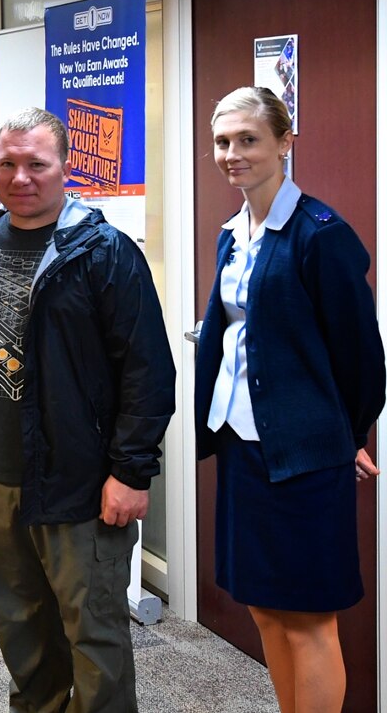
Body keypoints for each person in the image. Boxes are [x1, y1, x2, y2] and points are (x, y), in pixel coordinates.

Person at [0, 107, 176, 712]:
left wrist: (131, 472)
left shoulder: (103, 252)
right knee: (21, 635)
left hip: (79, 484)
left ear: (67, 168)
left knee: (94, 642)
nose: (20, 177)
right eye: (7, 164)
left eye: (36, 164)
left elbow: (147, 370)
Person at [195, 86, 384, 713]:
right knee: (265, 608)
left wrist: (349, 435)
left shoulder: (320, 235)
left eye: (248, 140)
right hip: (243, 446)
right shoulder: (233, 233)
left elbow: (361, 355)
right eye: (223, 142)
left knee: (308, 619)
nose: (232, 154)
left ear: (284, 142)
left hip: (303, 456)